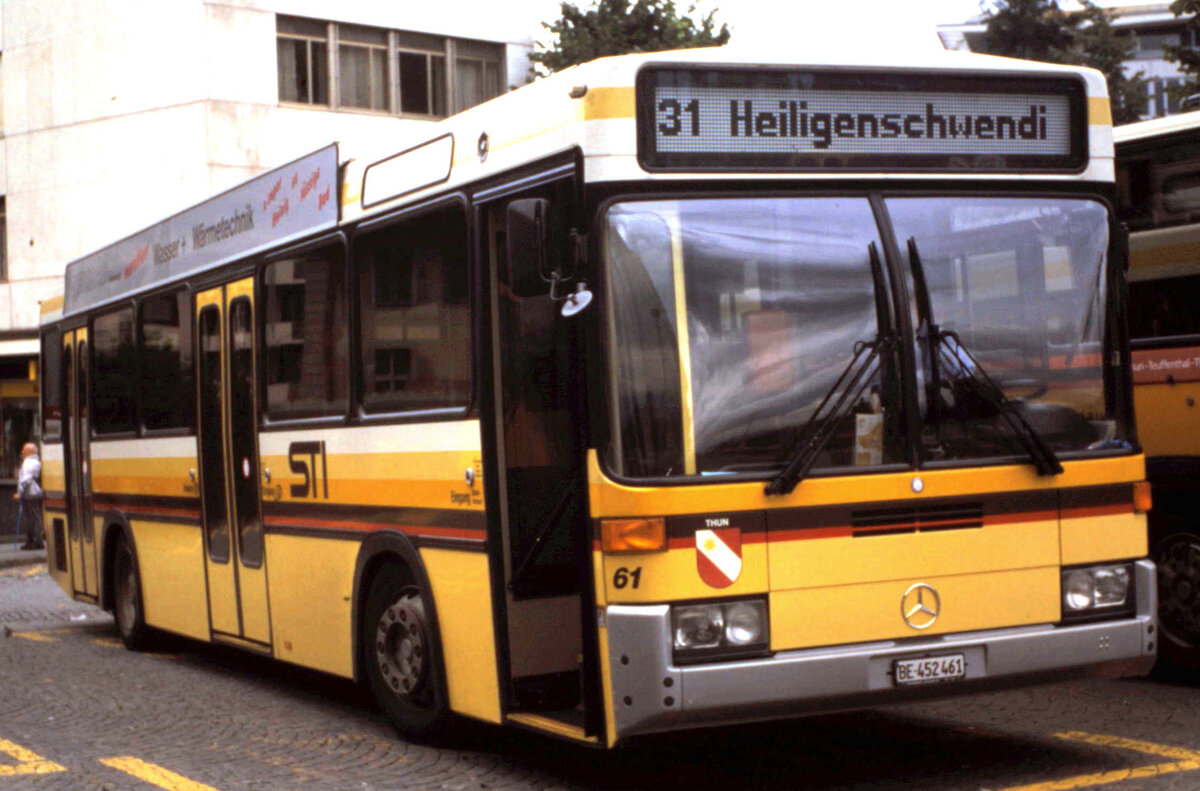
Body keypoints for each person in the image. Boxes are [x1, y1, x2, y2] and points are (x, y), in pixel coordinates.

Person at [15, 442, 42, 550]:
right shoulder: (35, 461)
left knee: (31, 518)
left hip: (30, 494)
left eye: (24, 450)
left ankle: (34, 541)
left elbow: (26, 480)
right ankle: (35, 540)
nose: (22, 451)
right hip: (34, 493)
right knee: (34, 518)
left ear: (29, 452)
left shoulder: (28, 462)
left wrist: (19, 493)